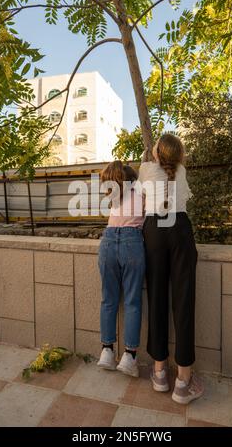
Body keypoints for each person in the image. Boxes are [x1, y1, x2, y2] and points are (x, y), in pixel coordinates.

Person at [138, 133, 204, 404]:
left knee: (156, 297)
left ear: (157, 153)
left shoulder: (145, 168)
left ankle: (160, 373)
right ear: (179, 155)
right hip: (179, 229)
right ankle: (183, 381)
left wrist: (150, 156)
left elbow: (143, 192)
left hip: (154, 230)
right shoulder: (182, 171)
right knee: (183, 301)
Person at [97, 160, 145, 377]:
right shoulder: (141, 189)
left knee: (109, 299)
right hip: (132, 242)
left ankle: (106, 352)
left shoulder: (115, 196)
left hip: (107, 241)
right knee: (132, 301)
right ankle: (129, 356)